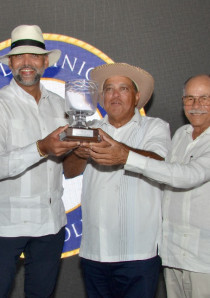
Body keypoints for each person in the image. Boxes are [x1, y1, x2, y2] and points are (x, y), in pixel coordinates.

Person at [0, 24, 79, 298]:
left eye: (34, 56)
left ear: (45, 62)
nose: (27, 63)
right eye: (19, 56)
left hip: (50, 223)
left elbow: (68, 167)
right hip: (4, 224)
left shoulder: (61, 105)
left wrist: (83, 151)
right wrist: (42, 147)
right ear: (10, 63)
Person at [88, 74, 210, 298]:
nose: (196, 105)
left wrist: (125, 156)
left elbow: (188, 176)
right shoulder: (182, 135)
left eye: (204, 98)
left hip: (204, 258)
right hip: (173, 254)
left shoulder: (157, 128)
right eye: (190, 99)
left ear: (136, 97)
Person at [64, 63, 171, 298]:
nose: (115, 95)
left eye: (123, 89)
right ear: (101, 98)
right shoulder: (90, 128)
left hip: (138, 252)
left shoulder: (155, 127)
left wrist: (120, 152)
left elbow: (157, 160)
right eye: (109, 89)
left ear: (137, 96)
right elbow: (70, 171)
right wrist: (78, 154)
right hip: (95, 251)